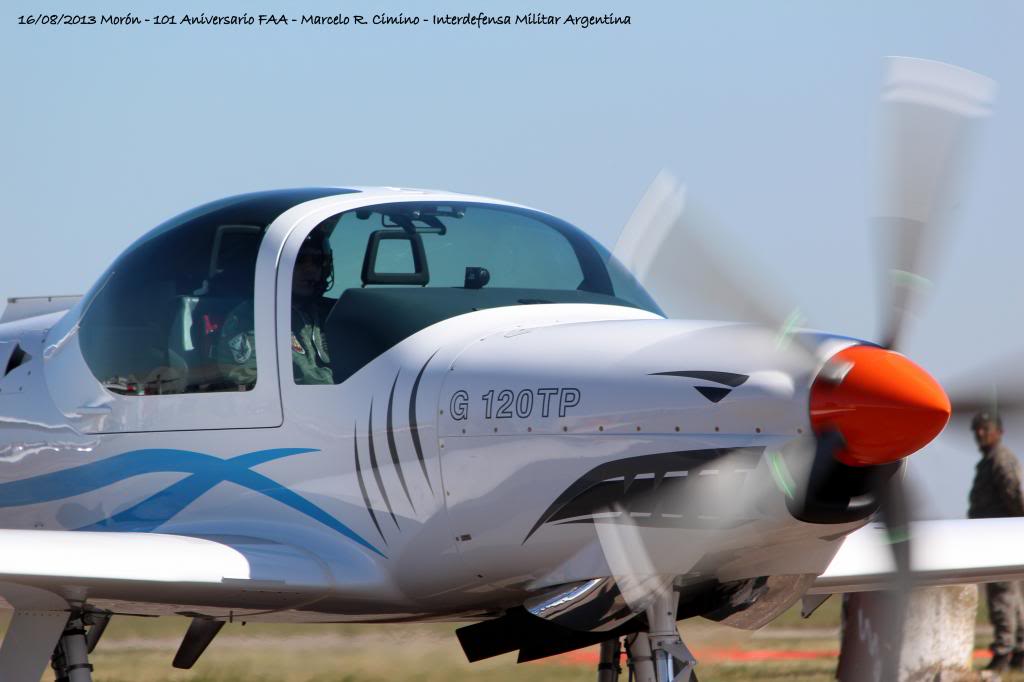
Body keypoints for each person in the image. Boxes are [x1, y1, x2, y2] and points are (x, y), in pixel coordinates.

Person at [217, 228, 335, 387]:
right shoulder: (253, 315)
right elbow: (244, 374)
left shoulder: (330, 311)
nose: (310, 269)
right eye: (298, 260)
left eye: (317, 261)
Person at [968, 411, 1024, 671]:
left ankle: (1003, 653)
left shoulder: (1000, 460)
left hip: (1001, 542)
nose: (980, 433)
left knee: (1003, 598)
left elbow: (1015, 495)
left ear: (999, 432)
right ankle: (1019, 652)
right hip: (997, 541)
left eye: (985, 428)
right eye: (977, 429)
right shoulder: (989, 461)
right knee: (1013, 599)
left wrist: (1013, 530)